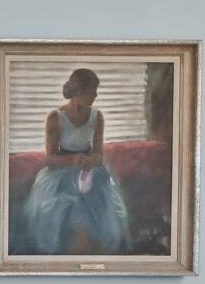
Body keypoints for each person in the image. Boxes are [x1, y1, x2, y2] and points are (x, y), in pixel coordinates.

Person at [21, 67, 131, 255]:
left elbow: (98, 154)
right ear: (79, 91)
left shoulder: (97, 117)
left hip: (90, 174)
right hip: (60, 176)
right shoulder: (55, 117)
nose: (96, 95)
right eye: (92, 91)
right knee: (67, 210)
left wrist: (92, 160)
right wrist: (73, 159)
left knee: (104, 211)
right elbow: (50, 160)